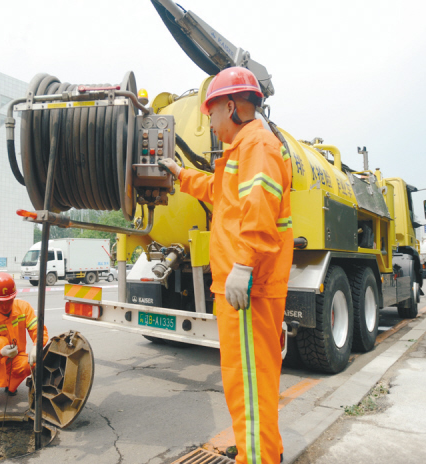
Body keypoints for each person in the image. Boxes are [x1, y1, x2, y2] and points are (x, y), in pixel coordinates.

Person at [160, 67, 293, 464]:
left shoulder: (258, 147)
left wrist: (244, 266)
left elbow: (261, 209)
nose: (210, 123)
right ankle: (268, 450)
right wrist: (180, 174)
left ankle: (258, 458)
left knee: (248, 386)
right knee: (250, 384)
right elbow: (219, 193)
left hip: (248, 291)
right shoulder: (245, 149)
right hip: (242, 290)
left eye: (212, 113)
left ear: (232, 107)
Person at [0, 272, 48, 414]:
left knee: (34, 361)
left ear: (14, 297)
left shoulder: (23, 308)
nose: (5, 306)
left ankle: (10, 387)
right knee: (0, 342)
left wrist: (37, 345)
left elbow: (37, 329)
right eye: (0, 302)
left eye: (8, 301)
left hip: (17, 357)